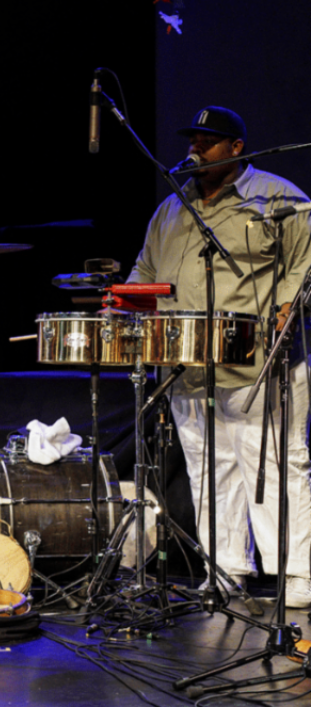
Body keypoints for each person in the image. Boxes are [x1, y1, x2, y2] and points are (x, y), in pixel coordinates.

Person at [127, 106, 311, 608]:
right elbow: (145, 271)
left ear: (236, 148)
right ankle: (225, 567)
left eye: (208, 142)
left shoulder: (278, 197)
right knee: (210, 467)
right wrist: (126, 302)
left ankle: (296, 575)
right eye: (193, 140)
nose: (195, 149)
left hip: (258, 361)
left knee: (272, 465)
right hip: (187, 365)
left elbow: (306, 261)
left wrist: (289, 305)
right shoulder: (171, 210)